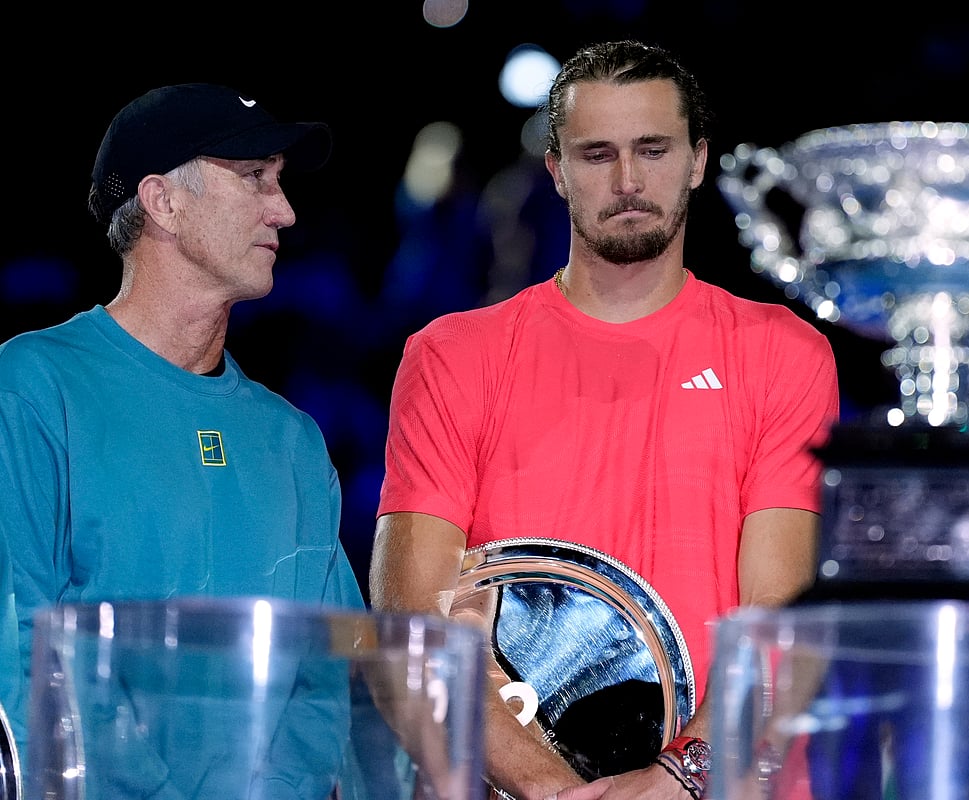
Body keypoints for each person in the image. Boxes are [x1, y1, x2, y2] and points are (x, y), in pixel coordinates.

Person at [370, 39, 840, 800]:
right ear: (555, 171)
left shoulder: (783, 352)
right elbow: (414, 632)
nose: (627, 181)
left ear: (697, 160)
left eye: (653, 150)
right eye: (596, 155)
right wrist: (561, 795)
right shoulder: (453, 355)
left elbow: (777, 620)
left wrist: (674, 779)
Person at [0, 83, 365, 795]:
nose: (284, 211)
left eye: (281, 184)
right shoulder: (33, 385)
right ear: (163, 201)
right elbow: (16, 653)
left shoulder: (290, 440)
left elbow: (330, 679)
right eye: (256, 178)